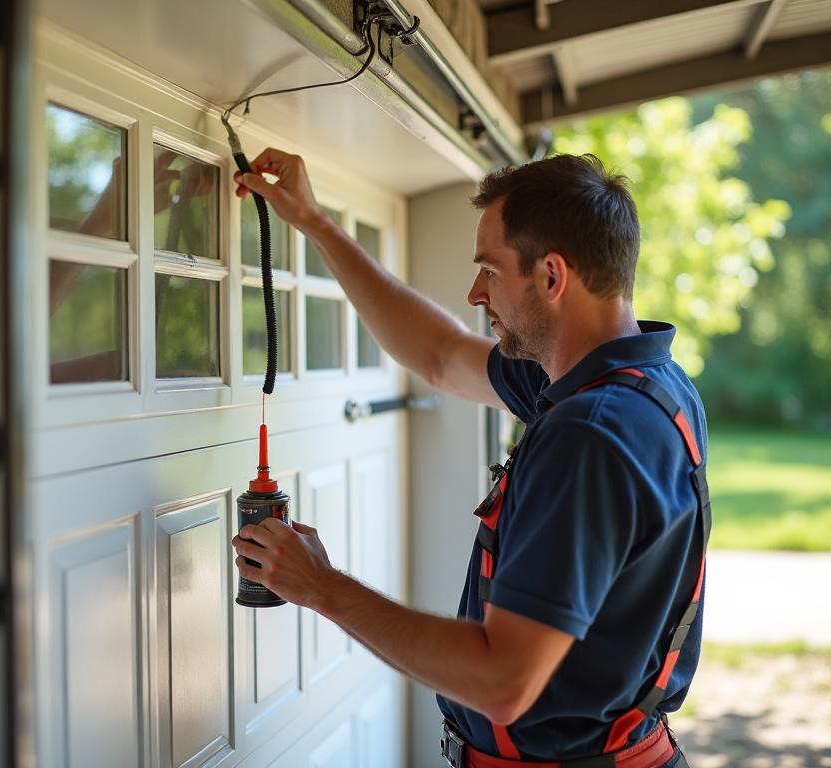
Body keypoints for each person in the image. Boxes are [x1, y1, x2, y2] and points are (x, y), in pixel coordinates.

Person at [230, 148, 707, 768]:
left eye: (490, 269)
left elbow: (502, 681)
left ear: (552, 277)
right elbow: (438, 354)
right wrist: (316, 223)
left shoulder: (590, 433)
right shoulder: (641, 384)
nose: (476, 292)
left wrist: (321, 587)